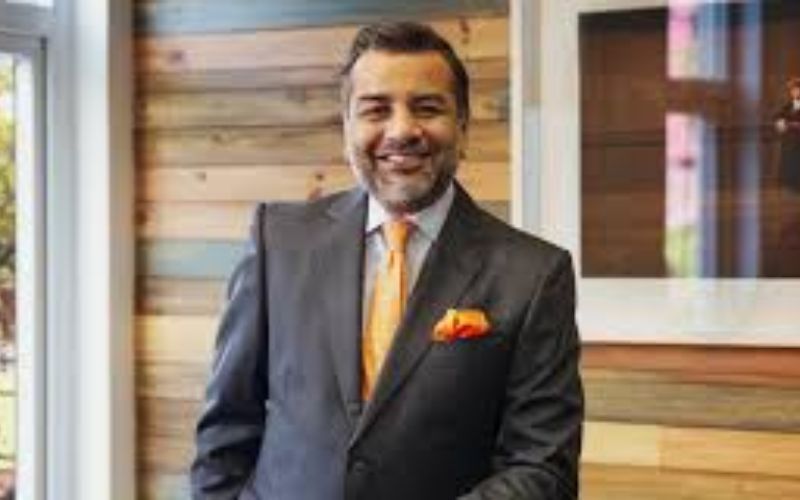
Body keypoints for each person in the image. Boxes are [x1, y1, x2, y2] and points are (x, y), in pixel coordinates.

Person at [191, 22, 583, 500]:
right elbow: (226, 433)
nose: (402, 130)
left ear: (463, 129)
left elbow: (542, 468)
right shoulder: (279, 241)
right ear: (347, 129)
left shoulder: (533, 275)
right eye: (376, 109)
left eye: (427, 108)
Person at [775, 77, 800, 193]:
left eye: (797, 89)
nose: (795, 92)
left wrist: (792, 124)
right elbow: (779, 117)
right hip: (790, 141)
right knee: (790, 164)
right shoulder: (787, 106)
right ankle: (791, 185)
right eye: (793, 90)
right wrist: (780, 123)